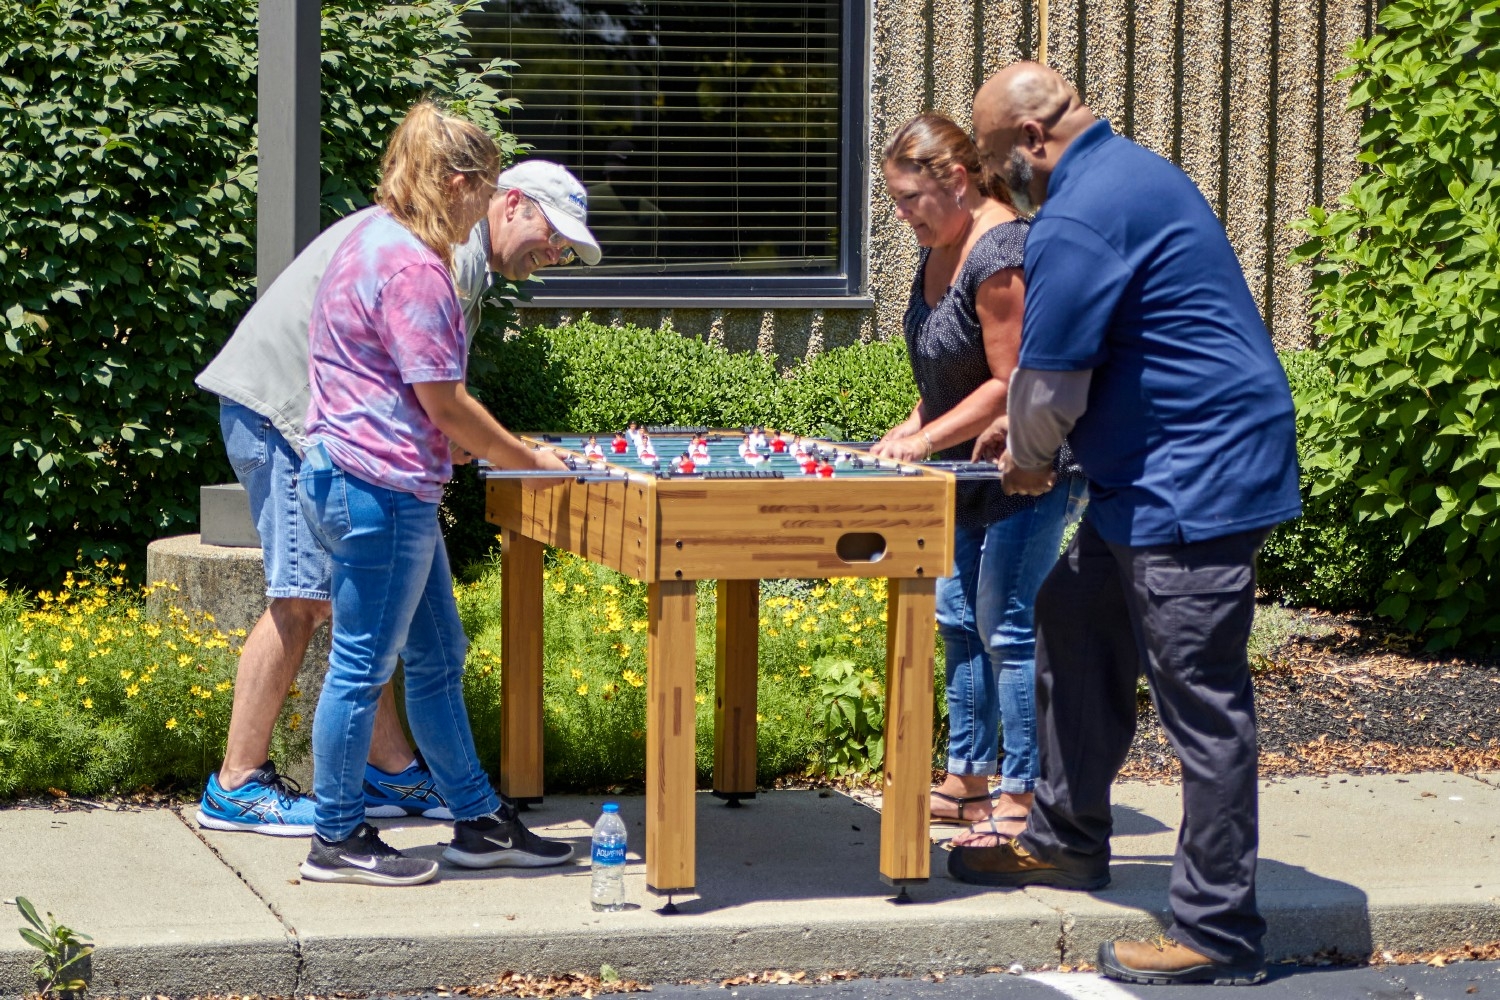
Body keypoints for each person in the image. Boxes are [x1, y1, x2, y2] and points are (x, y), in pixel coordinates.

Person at [950, 63, 1302, 987]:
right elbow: (1086, 360)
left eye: (991, 163)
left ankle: (1219, 932)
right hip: (1146, 474)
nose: (995, 186)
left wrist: (1027, 457)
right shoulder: (1132, 174)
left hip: (1193, 480)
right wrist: (1028, 424)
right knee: (1073, 618)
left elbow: (1052, 381)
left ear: (1029, 142)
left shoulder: (1076, 212)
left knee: (1203, 705)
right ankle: (1067, 835)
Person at [195, 142, 600, 836]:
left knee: (365, 610)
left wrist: (460, 440)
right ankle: (235, 785)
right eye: (553, 235)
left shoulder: (452, 247)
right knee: (302, 601)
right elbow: (439, 396)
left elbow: (431, 390)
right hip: (283, 412)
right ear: (504, 202)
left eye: (568, 247)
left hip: (314, 421)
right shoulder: (454, 250)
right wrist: (513, 453)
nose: (556, 254)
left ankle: (390, 768)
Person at [292, 101, 591, 886]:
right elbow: (444, 402)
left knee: (435, 656)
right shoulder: (417, 266)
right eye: (483, 186)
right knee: (361, 666)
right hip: (379, 488)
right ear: (457, 182)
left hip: (358, 476)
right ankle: (336, 838)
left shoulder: (367, 237)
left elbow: (406, 389)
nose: (482, 208)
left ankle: (476, 819)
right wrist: (528, 459)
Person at [870, 113, 1086, 846]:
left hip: (1026, 464)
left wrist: (928, 438)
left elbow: (1010, 381)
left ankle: (1022, 797)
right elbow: (947, 369)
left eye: (907, 199)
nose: (901, 216)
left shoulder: (999, 252)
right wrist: (913, 426)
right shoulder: (941, 245)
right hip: (964, 470)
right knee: (959, 619)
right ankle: (968, 779)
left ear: (956, 181)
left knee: (1007, 623)